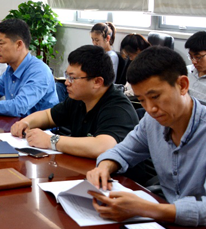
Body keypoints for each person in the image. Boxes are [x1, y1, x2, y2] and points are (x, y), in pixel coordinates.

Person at [86, 46, 206, 229]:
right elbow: (123, 151)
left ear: (182, 85)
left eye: (155, 97)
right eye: (142, 100)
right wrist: (104, 167)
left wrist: (144, 208)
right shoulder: (152, 122)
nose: (150, 109)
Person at [10, 45, 138, 158]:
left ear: (97, 82)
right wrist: (25, 122)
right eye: (67, 76)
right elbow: (48, 116)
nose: (66, 82)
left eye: (72, 78)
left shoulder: (118, 108)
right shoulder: (80, 99)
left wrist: (51, 141)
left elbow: (103, 146)